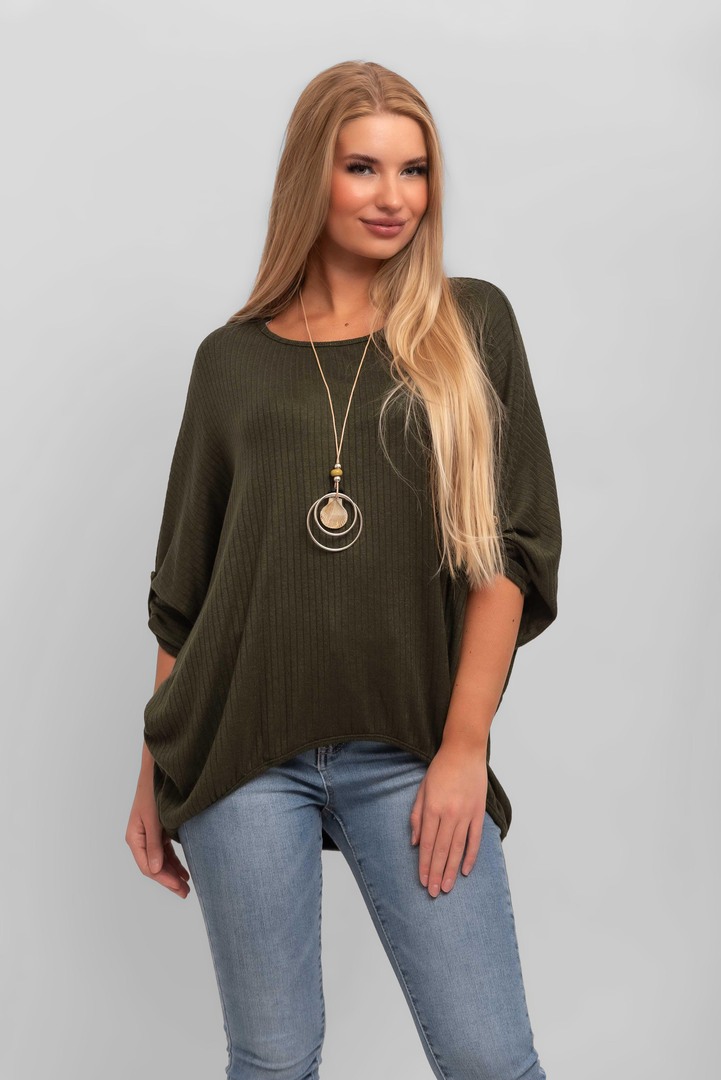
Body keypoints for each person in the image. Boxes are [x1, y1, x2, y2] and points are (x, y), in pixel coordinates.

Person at [126, 59, 561, 1080]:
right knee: (273, 1060)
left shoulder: (470, 325)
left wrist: (462, 748)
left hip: (409, 748)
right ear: (309, 178)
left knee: (489, 1057)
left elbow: (506, 551)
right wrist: (153, 773)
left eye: (413, 170)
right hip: (239, 757)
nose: (392, 195)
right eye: (362, 166)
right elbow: (184, 596)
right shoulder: (230, 362)